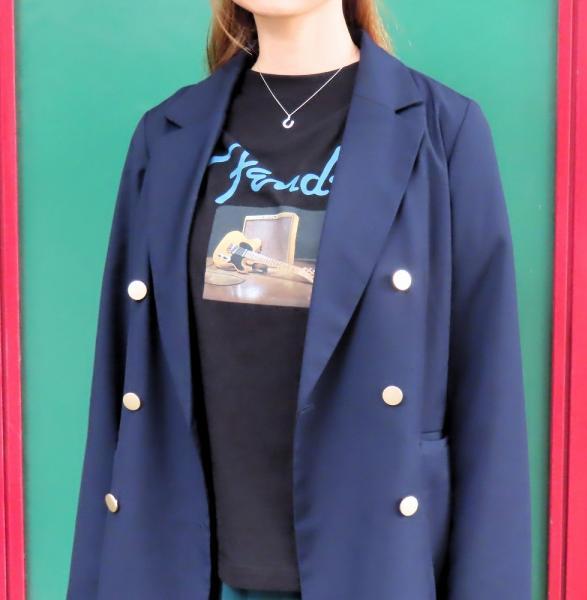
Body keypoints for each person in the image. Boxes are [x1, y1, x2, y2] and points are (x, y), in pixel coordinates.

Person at [67, 1, 532, 599]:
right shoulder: (166, 134)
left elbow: (488, 393)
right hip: (189, 571)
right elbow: (121, 385)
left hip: (375, 565)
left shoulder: (442, 131)